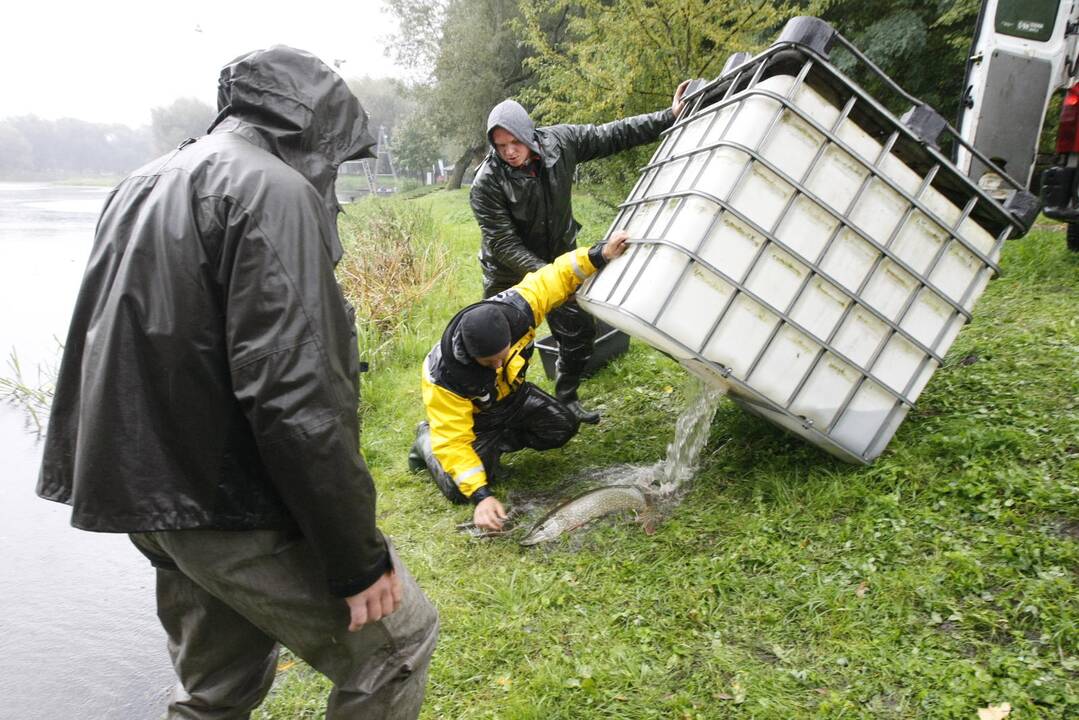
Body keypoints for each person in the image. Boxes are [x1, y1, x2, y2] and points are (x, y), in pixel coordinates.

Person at [36, 46, 438, 719]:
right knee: (395, 647)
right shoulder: (273, 191)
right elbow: (296, 398)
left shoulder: (142, 181)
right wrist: (355, 557)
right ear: (315, 128)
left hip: (153, 497)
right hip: (231, 500)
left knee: (213, 694)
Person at [469, 83, 690, 424]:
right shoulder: (486, 183)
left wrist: (669, 116)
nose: (510, 152)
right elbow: (504, 244)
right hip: (508, 272)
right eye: (501, 146)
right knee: (501, 347)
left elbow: (612, 134)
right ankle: (498, 413)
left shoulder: (561, 142)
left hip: (559, 254)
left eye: (515, 142)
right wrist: (552, 277)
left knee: (579, 332)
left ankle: (566, 397)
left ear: (529, 135)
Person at [409, 230, 630, 531]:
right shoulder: (444, 378)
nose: (499, 364)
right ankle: (425, 440)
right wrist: (482, 494)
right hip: (477, 420)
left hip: (514, 398)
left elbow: (555, 275)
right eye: (490, 363)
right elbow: (454, 441)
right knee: (459, 489)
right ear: (473, 356)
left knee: (562, 427)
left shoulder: (518, 310)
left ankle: (496, 445)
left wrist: (599, 254)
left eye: (503, 355)